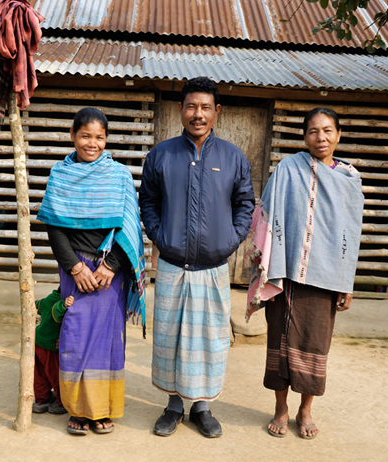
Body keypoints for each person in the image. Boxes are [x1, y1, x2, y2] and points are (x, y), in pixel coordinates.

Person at [140, 76, 255, 438]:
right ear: (180, 110)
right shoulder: (161, 155)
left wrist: (230, 240)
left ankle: (202, 407)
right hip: (173, 264)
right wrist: (160, 236)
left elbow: (245, 203)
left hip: (213, 267)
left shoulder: (233, 157)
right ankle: (174, 406)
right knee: (171, 338)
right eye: (191, 106)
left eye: (205, 107)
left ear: (217, 112)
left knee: (208, 341)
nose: (198, 114)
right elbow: (149, 202)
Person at [247, 107, 364, 439]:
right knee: (279, 342)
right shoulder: (288, 169)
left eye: (327, 130)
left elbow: (351, 235)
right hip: (287, 273)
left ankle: (306, 409)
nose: (321, 137)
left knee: (316, 344)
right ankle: (281, 408)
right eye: (313, 131)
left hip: (326, 278)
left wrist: (347, 283)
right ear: (304, 137)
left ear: (338, 135)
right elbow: (268, 211)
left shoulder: (349, 180)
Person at [37, 107, 146, 436]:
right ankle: (79, 409)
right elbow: (54, 229)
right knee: (75, 336)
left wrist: (111, 266)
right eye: (85, 135)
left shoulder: (119, 176)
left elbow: (130, 228)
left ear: (106, 139)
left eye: (99, 137)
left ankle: (102, 410)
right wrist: (76, 267)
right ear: (73, 136)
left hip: (110, 272)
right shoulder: (60, 175)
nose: (92, 143)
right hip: (76, 270)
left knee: (108, 340)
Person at [32, 288, 73, 415]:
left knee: (40, 373)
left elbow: (35, 304)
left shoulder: (47, 299)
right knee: (56, 374)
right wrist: (65, 304)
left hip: (37, 341)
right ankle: (61, 402)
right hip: (50, 346)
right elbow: (56, 312)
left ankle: (42, 400)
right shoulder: (61, 301)